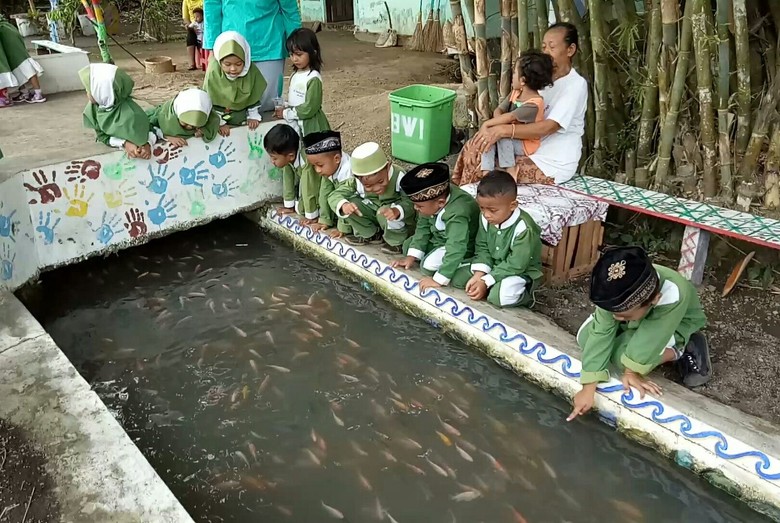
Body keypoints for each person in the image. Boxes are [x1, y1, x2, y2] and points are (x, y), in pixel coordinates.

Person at [567, 246, 712, 422]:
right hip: (636, 322)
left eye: (622, 314)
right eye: (613, 312)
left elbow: (648, 341)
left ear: (654, 299)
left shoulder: (672, 293)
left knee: (624, 360)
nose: (615, 317)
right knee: (585, 337)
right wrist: (588, 387)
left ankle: (680, 348)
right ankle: (629, 340)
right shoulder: (614, 290)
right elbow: (601, 331)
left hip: (671, 325)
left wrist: (630, 372)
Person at [453, 22, 588, 186]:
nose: (546, 52)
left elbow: (549, 127)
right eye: (544, 47)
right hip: (521, 146)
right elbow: (507, 105)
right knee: (474, 147)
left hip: (551, 161)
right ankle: (461, 201)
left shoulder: (575, 85)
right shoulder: (537, 76)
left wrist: (503, 130)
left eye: (552, 47)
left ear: (570, 50)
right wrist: (490, 132)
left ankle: (476, 207)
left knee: (482, 165)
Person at [451, 170, 543, 308]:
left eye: (492, 210)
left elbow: (517, 264)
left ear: (512, 206)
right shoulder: (485, 218)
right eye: (482, 208)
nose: (486, 214)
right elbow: (482, 247)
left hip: (519, 271)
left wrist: (486, 280)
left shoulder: (524, 228)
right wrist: (479, 274)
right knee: (457, 279)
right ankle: (489, 285)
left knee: (498, 297)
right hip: (493, 265)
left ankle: (526, 297)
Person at [392, 162, 480, 292]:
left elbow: (457, 245)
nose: (416, 209)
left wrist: (438, 279)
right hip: (441, 239)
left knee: (426, 267)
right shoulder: (431, 200)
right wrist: (411, 257)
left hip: (464, 245)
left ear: (441, 203)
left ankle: (465, 262)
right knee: (408, 246)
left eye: (419, 206)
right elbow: (423, 227)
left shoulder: (458, 211)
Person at [203, 0, 300, 112]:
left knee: (267, 103)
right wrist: (212, 46)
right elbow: (211, 7)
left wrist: (296, 43)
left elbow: (289, 7)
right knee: (230, 103)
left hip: (269, 43)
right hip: (230, 47)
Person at [330, 142, 415, 253]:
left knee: (383, 212)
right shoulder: (355, 181)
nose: (376, 188)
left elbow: (411, 202)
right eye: (368, 186)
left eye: (381, 181)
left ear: (388, 167)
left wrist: (397, 210)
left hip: (394, 216)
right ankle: (371, 234)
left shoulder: (399, 176)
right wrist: (344, 205)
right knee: (350, 203)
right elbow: (334, 196)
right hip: (372, 210)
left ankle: (396, 242)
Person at [480, 50, 553, 172]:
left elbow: (510, 117)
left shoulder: (534, 104)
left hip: (525, 144)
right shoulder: (516, 93)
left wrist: (487, 124)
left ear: (523, 80)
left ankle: (511, 169)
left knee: (503, 137)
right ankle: (486, 172)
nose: (512, 76)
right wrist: (497, 124)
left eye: (514, 73)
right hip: (510, 134)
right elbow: (499, 110)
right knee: (490, 139)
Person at [79, 63, 155, 159]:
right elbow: (103, 137)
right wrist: (124, 143)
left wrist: (147, 144)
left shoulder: (132, 115)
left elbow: (148, 130)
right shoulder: (93, 109)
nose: (87, 94)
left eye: (89, 90)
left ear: (104, 92)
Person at [203, 31, 267, 131]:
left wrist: (253, 116)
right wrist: (219, 122)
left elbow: (254, 98)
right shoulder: (213, 72)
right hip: (218, 113)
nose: (233, 69)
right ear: (220, 61)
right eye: (227, 64)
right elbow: (211, 100)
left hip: (242, 115)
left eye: (238, 64)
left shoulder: (251, 70)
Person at [277, 27, 330, 136]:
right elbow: (296, 100)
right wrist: (286, 105)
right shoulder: (294, 75)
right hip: (297, 122)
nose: (294, 59)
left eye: (299, 54)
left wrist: (287, 113)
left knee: (312, 150)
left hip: (311, 126)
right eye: (291, 54)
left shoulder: (313, 78)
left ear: (313, 53)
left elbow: (310, 107)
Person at [265, 123, 320, 224]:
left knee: (301, 209)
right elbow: (288, 178)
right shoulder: (288, 156)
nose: (272, 161)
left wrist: (311, 215)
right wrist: (289, 206)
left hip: (319, 187)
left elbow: (309, 188)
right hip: (307, 185)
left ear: (291, 156)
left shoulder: (306, 161)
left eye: (274, 158)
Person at [303, 130, 353, 238]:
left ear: (337, 159)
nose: (317, 170)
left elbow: (345, 199)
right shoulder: (330, 168)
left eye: (320, 165)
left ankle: (346, 227)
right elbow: (324, 195)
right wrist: (324, 220)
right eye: (314, 166)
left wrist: (342, 229)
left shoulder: (347, 171)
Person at [146, 88, 224, 147]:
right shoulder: (164, 116)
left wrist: (204, 131)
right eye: (185, 123)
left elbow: (214, 121)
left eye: (194, 125)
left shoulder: (206, 113)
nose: (189, 127)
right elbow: (151, 127)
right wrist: (167, 136)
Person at [0, 14, 46, 106]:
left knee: (23, 62)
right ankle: (25, 92)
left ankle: (38, 94)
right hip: (8, 32)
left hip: (7, 35)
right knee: (15, 65)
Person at [182, 0, 204, 70]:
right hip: (194, 25)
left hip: (204, 24)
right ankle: (192, 64)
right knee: (190, 35)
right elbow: (185, 18)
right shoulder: (186, 1)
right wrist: (190, 26)